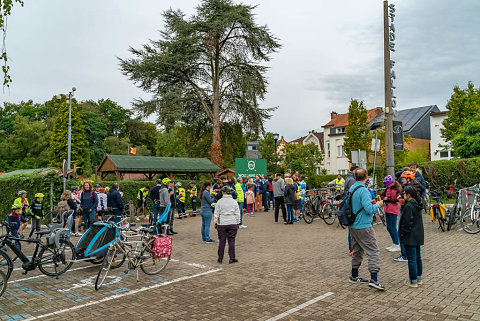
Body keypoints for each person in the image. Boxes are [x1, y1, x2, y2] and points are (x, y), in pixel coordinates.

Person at [348, 168, 385, 291]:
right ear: (366, 177)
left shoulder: (352, 188)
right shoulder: (364, 190)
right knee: (373, 251)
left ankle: (354, 275)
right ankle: (374, 279)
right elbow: (369, 209)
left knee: (357, 250)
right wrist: (378, 205)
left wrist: (370, 203)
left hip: (353, 225)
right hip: (364, 225)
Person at [399, 185, 424, 288]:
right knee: (418, 257)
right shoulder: (416, 203)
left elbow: (407, 222)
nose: (402, 195)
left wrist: (402, 233)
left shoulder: (409, 206)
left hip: (410, 235)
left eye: (404, 194)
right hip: (418, 234)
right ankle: (419, 278)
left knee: (412, 259)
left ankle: (412, 280)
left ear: (408, 195)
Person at [214, 185, 240, 263]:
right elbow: (237, 213)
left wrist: (215, 222)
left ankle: (220, 257)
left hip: (222, 222)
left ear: (224, 192)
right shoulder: (234, 202)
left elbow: (216, 213)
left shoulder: (219, 202)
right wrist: (238, 222)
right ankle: (232, 258)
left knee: (222, 241)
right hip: (232, 222)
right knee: (231, 241)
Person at [381, 175, 402, 252]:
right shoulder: (387, 189)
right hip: (387, 209)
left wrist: (388, 199)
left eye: (388, 184)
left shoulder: (397, 190)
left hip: (393, 210)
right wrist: (383, 197)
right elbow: (382, 195)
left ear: (392, 183)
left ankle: (397, 244)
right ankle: (393, 243)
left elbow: (397, 200)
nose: (387, 186)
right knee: (388, 227)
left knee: (393, 227)